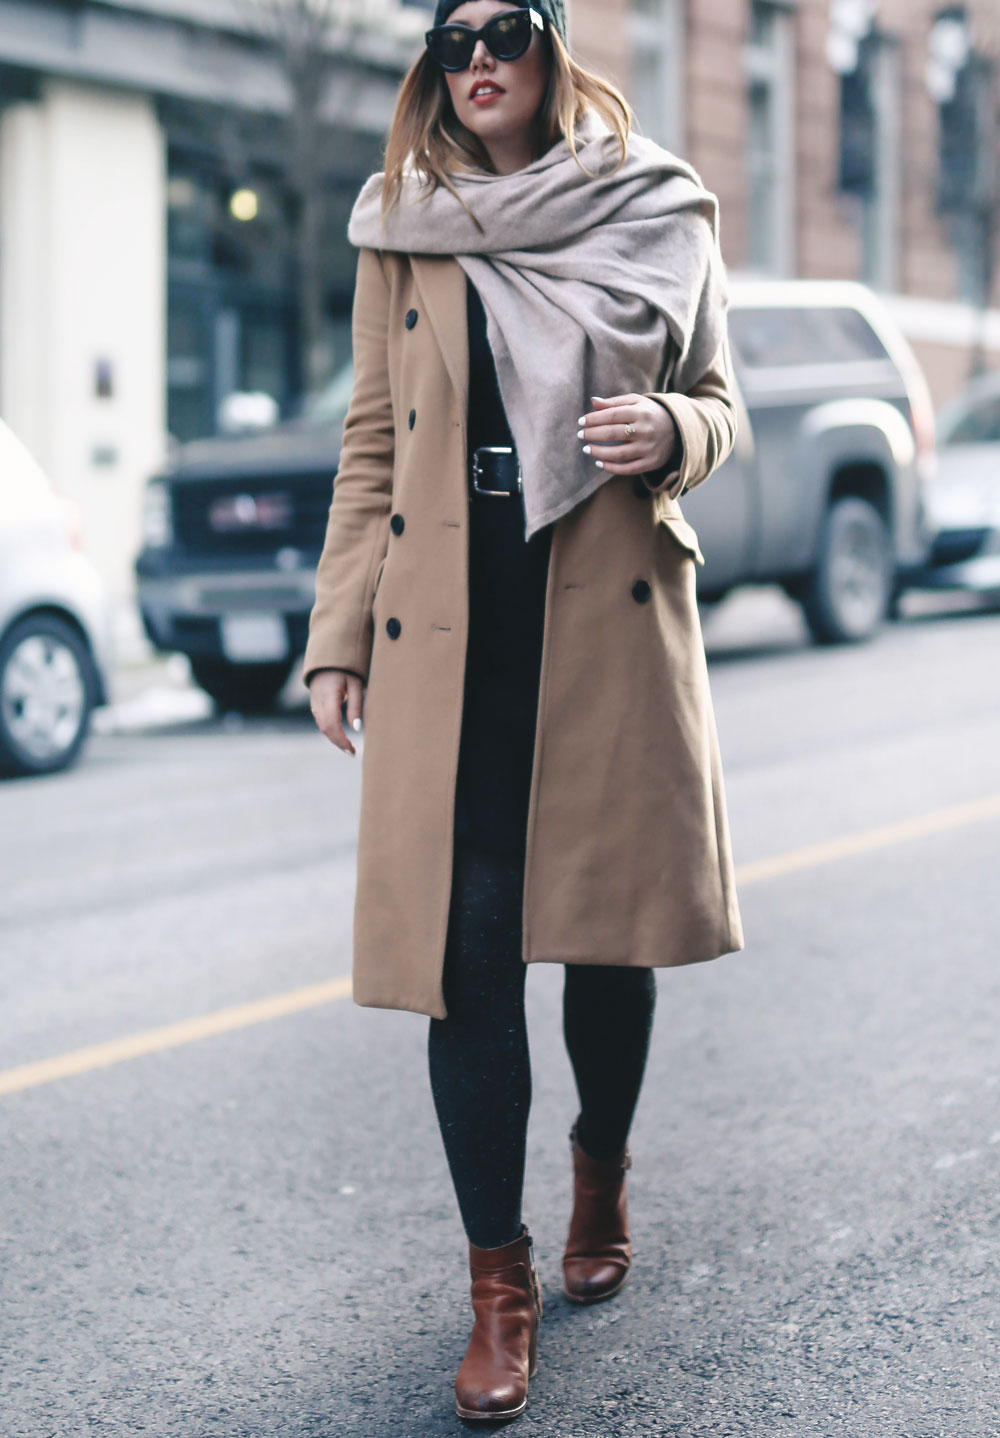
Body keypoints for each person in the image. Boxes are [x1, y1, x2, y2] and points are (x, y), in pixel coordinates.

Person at [305, 0, 744, 1422]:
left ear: (556, 50)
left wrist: (675, 431)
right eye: (450, 40)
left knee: (605, 938)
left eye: (505, 30)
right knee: (470, 952)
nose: (475, 59)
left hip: (600, 607)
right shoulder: (401, 227)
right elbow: (372, 441)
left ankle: (599, 1171)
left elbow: (723, 399)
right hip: (452, 625)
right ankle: (498, 1285)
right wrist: (335, 637)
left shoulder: (654, 203)